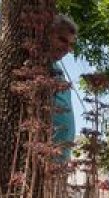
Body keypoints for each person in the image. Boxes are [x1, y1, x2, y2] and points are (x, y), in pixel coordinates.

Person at [48, 14, 78, 161]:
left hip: (61, 159)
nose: (67, 48)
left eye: (71, 44)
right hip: (41, 158)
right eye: (62, 40)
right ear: (49, 35)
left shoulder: (58, 69)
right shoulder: (34, 64)